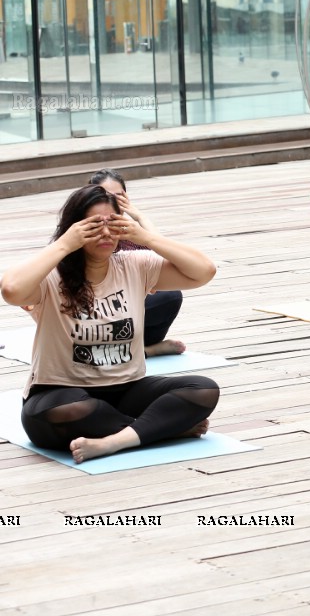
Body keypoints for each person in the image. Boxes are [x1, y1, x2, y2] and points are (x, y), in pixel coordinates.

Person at [0, 185, 219, 463]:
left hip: (127, 389)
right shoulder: (52, 274)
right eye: (94, 225)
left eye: (113, 224)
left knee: (203, 389)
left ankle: (113, 441)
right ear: (74, 228)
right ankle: (159, 429)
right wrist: (65, 243)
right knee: (66, 411)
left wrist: (145, 236)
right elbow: (11, 289)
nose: (105, 233)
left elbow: (204, 271)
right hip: (61, 393)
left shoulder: (134, 264)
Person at [87, 169, 184, 357]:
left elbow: (168, 258)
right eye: (104, 197)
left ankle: (142, 348)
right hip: (96, 309)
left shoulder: (132, 232)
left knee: (170, 296)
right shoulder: (83, 230)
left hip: (128, 306)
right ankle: (140, 350)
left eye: (118, 197)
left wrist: (140, 218)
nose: (111, 202)